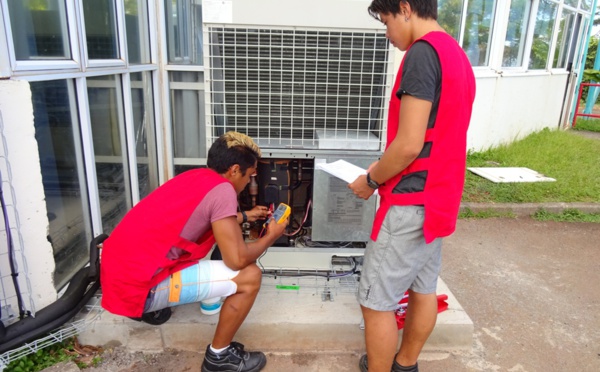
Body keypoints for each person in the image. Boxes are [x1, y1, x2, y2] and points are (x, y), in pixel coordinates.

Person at [348, 1, 476, 371]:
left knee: (376, 303)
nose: (387, 34)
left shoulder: (422, 54)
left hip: (409, 203)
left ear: (405, 8)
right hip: (439, 197)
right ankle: (405, 363)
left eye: (386, 22)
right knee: (423, 290)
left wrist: (371, 179)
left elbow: (408, 144)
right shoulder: (456, 54)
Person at [100, 131, 287, 372]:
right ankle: (219, 358)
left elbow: (203, 218)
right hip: (138, 288)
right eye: (249, 176)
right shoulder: (223, 190)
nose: (248, 183)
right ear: (233, 170)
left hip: (118, 271)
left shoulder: (194, 177)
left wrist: (245, 216)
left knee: (214, 246)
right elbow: (237, 259)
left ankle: (158, 308)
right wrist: (271, 236)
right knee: (250, 277)